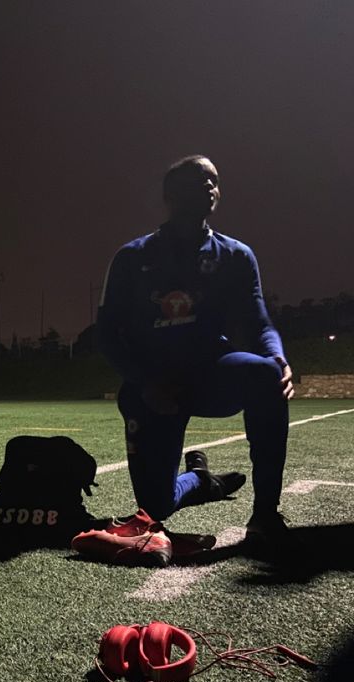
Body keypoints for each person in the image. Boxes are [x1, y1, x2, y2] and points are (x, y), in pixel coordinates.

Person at [95, 155, 295, 553]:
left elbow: (259, 322)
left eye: (214, 180)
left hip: (210, 375)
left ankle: (265, 514)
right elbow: (107, 334)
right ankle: (201, 480)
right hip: (153, 387)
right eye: (197, 179)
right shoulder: (132, 258)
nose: (209, 186)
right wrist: (144, 381)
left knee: (266, 375)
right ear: (169, 196)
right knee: (155, 507)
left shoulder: (236, 255)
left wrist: (277, 357)